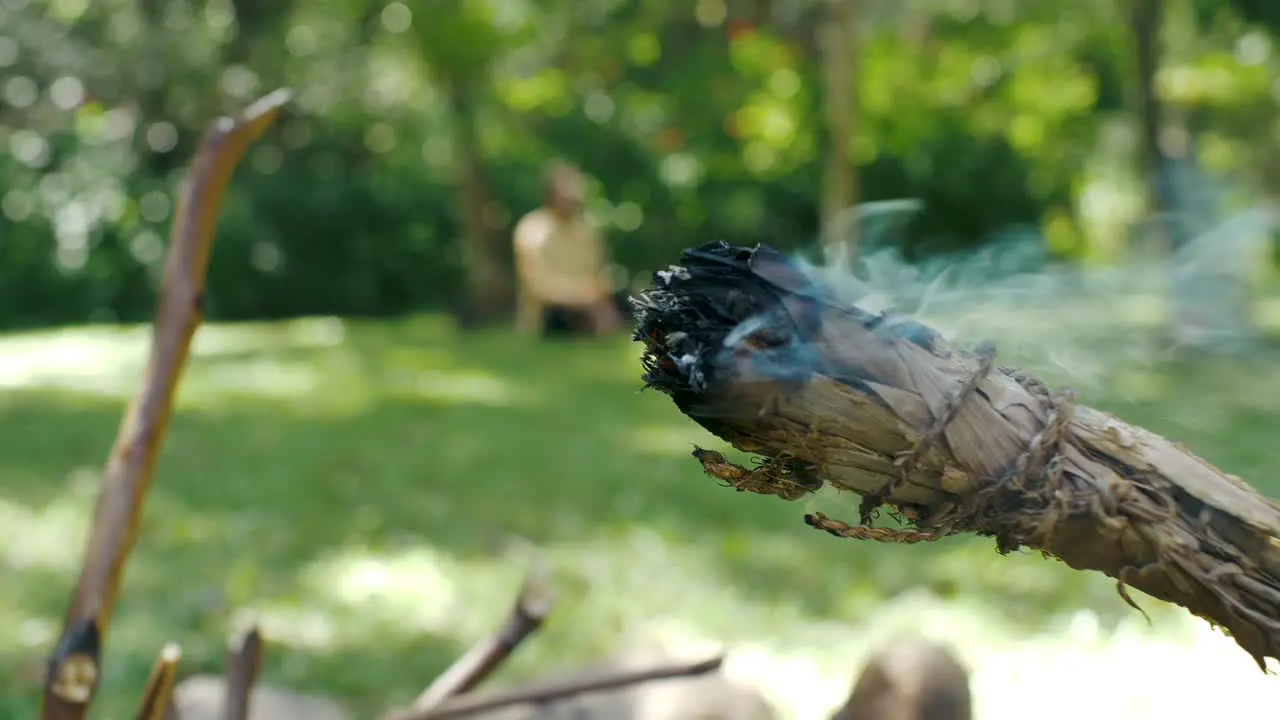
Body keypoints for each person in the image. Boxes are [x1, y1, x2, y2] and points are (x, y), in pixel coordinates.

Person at [512, 162, 625, 338]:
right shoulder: (532, 230)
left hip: (590, 303)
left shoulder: (587, 229)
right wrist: (584, 298)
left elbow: (598, 274)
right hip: (551, 311)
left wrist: (599, 299)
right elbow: (538, 287)